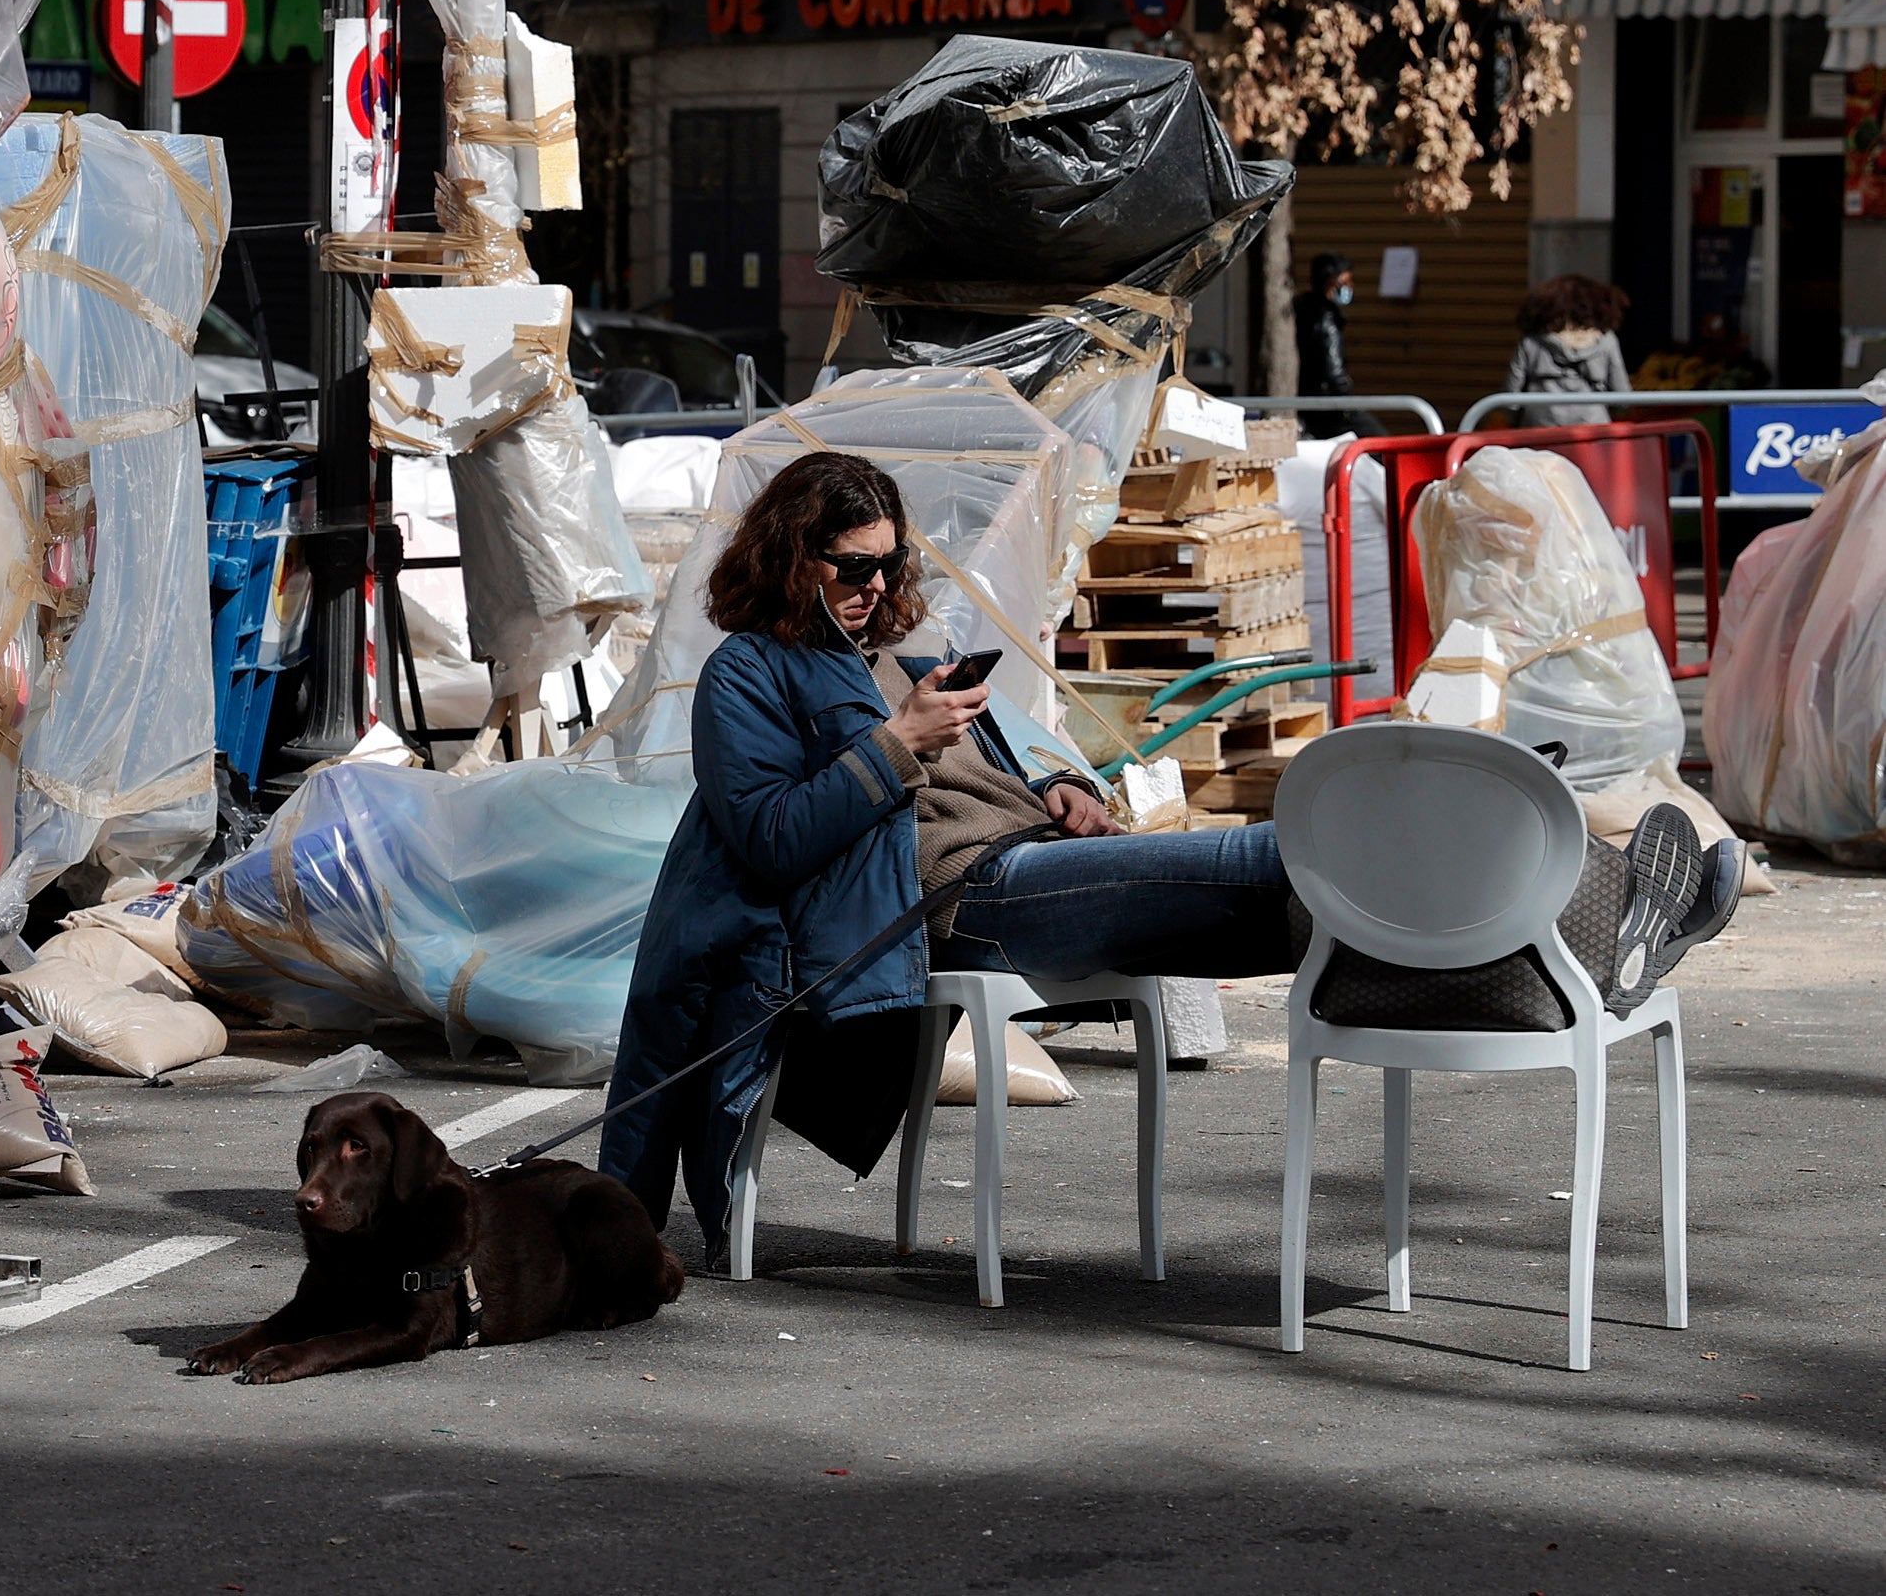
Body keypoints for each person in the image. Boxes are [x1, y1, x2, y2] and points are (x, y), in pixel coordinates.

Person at [589, 450, 1740, 1259]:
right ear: (792, 560)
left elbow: (1005, 767)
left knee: (1313, 913)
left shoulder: (904, 659)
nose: (875, 587)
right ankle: (1591, 920)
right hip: (951, 905)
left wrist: (1064, 788)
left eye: (888, 565)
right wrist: (893, 747)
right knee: (1270, 851)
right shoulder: (751, 672)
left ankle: (1572, 945)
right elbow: (769, 834)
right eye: (850, 567)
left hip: (1025, 859)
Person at [1508, 276, 1632, 427]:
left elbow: (1511, 395)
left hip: (1539, 429)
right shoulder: (1607, 341)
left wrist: (1516, 422)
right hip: (1592, 428)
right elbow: (1622, 396)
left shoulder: (1530, 342)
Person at [1294, 249, 1357, 437]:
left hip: (1310, 403)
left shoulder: (1303, 308)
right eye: (1346, 282)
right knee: (1378, 442)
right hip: (1328, 407)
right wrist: (1349, 404)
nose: (1351, 287)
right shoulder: (1326, 318)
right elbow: (1334, 371)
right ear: (1332, 282)